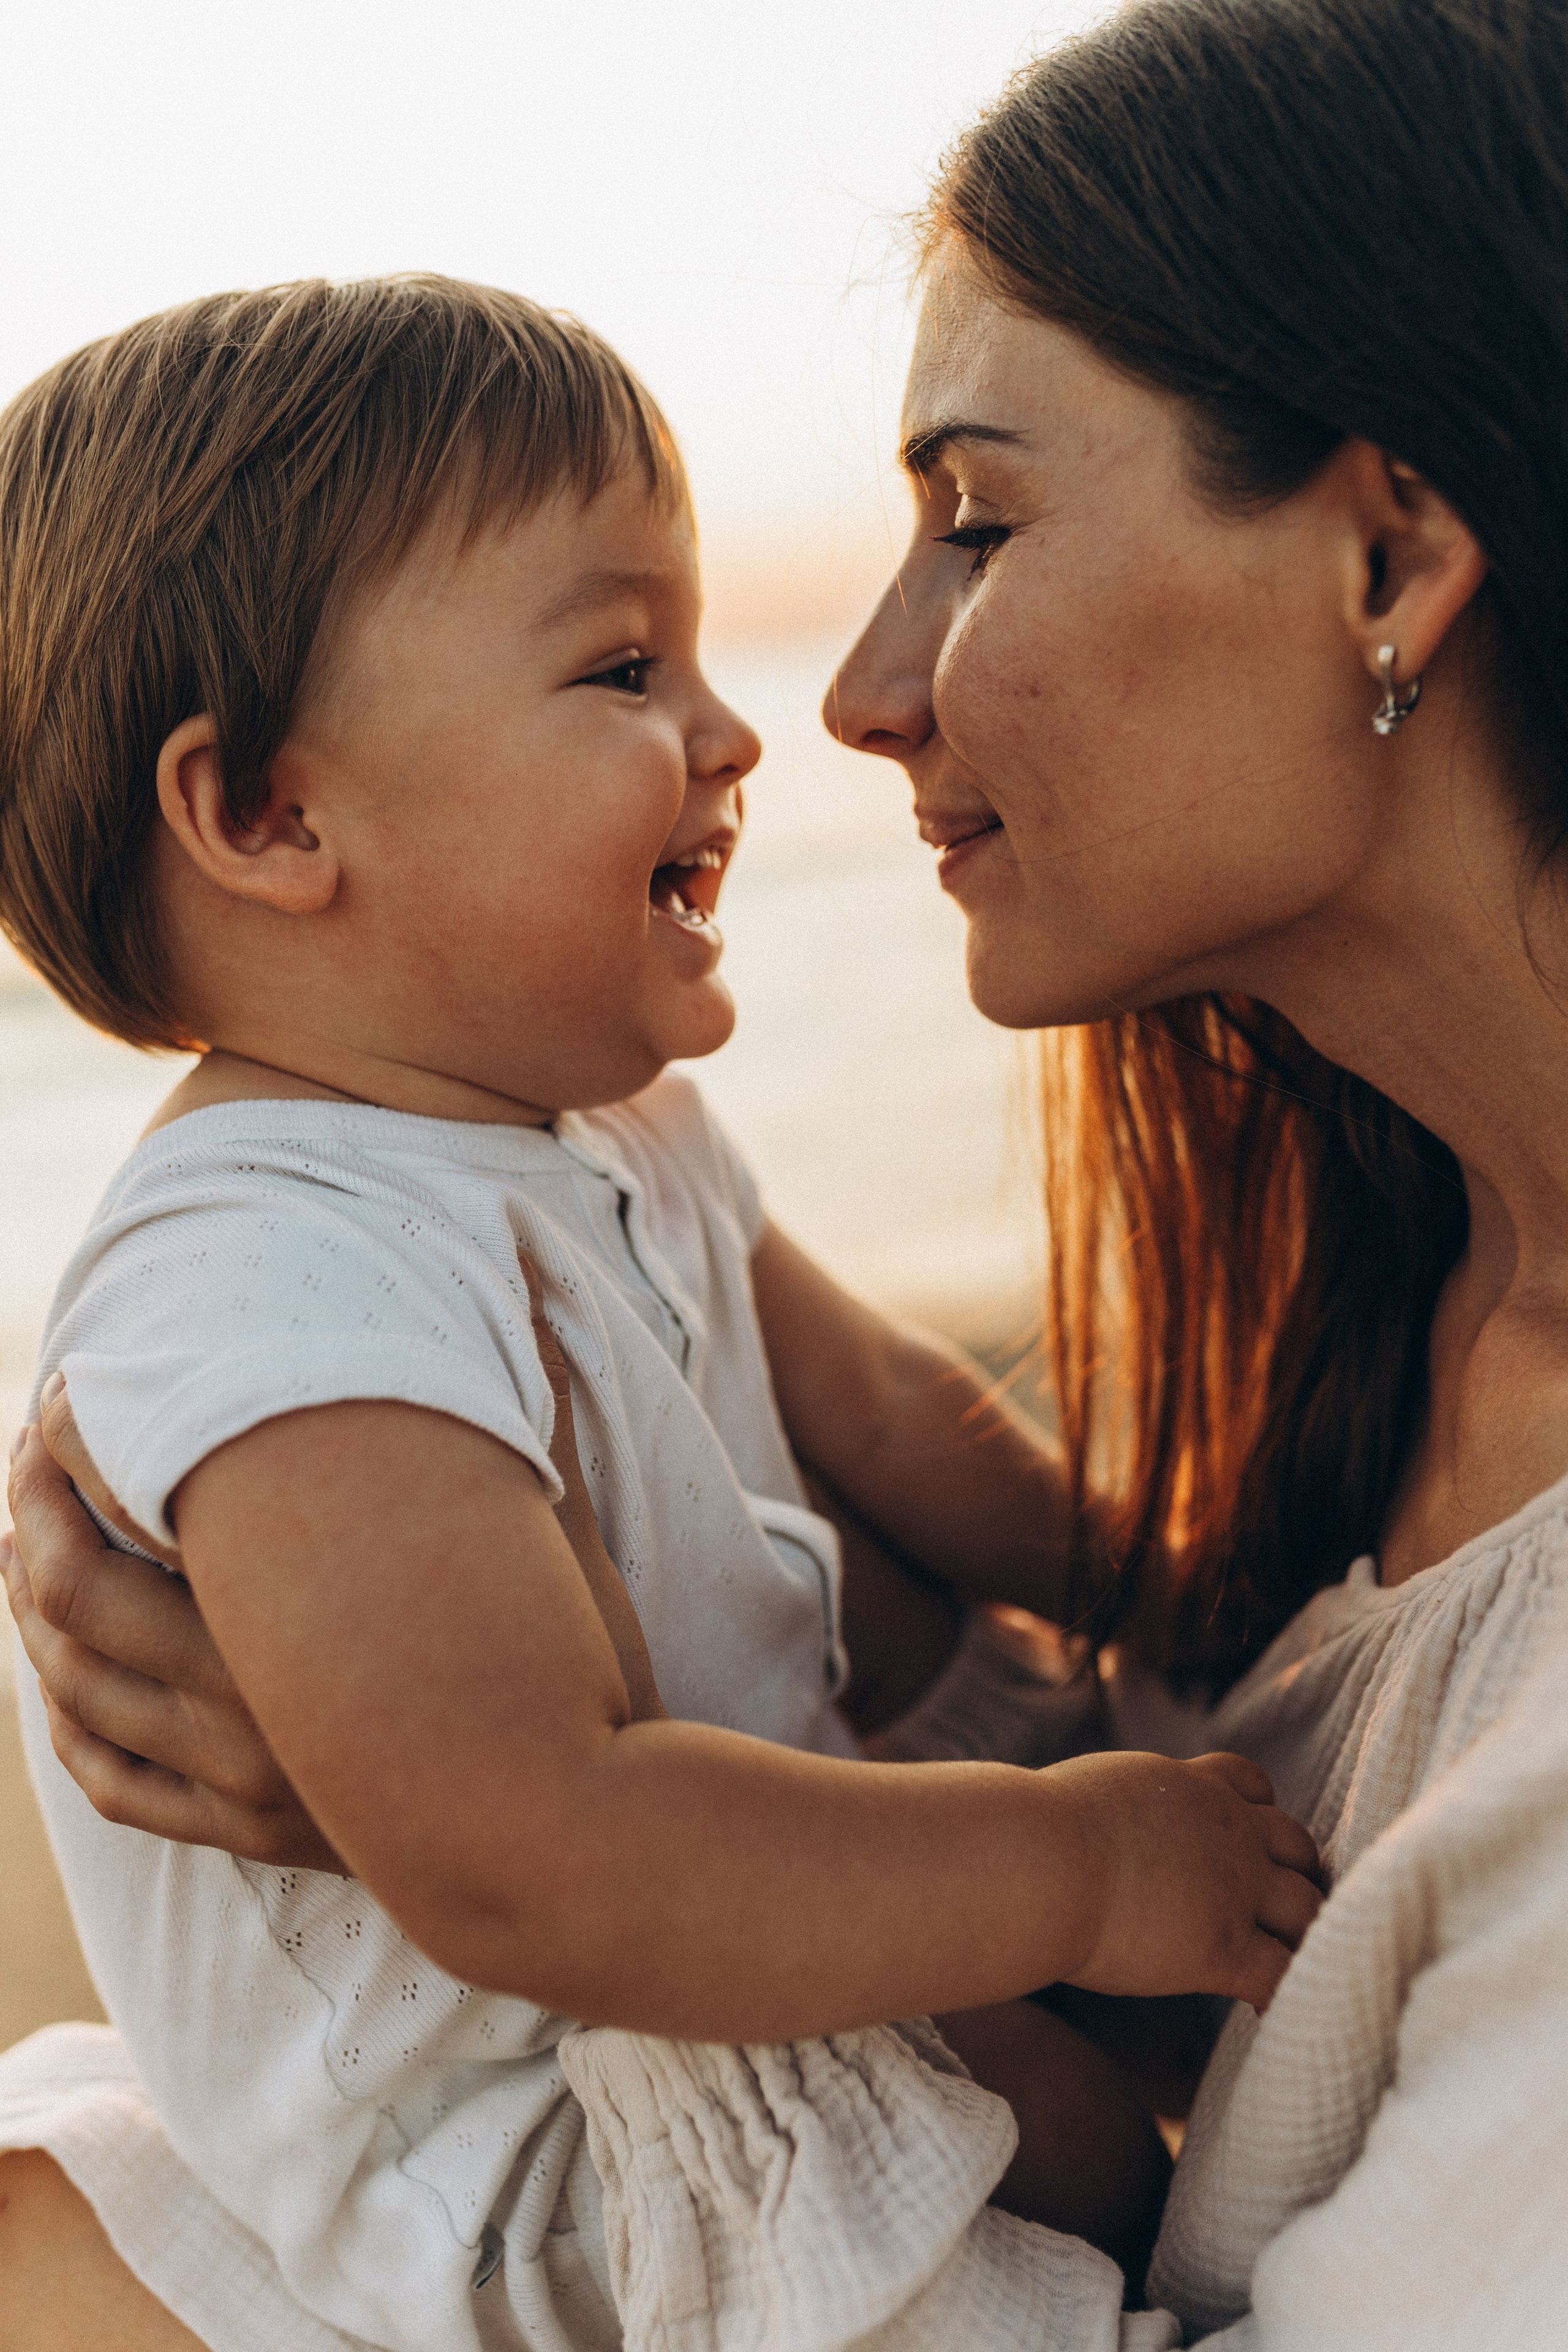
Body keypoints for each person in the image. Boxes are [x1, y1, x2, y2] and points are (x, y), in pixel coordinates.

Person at [15, 0, 1568, 2336]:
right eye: (621, 670)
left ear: (1393, 558)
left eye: (981, 516)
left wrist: (449, 1822)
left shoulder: (623, 1129)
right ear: (262, 816)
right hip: (557, 2218)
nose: (805, 712)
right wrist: (1057, 1829)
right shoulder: (266, 1276)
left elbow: (915, 1462)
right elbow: (561, 1845)